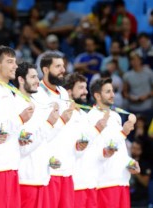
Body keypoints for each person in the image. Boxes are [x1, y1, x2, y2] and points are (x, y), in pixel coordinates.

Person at [0, 46, 35, 208]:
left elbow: (8, 129)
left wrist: (20, 138)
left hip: (11, 162)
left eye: (15, 62)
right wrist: (21, 119)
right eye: (10, 62)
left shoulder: (9, 90)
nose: (15, 66)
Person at [32, 52, 85, 208]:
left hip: (67, 167)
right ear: (46, 70)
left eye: (63, 66)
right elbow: (41, 130)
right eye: (58, 66)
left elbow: (69, 126)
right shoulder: (37, 93)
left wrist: (78, 144)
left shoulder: (63, 92)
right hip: (49, 168)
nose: (63, 70)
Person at [13, 62, 61, 208]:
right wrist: (48, 124)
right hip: (26, 180)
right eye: (33, 77)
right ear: (21, 80)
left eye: (37, 77)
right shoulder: (16, 105)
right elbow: (24, 148)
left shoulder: (38, 105)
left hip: (42, 177)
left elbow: (44, 139)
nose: (37, 81)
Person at [88, 78, 140, 208]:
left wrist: (130, 163)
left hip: (122, 179)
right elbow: (100, 152)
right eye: (108, 92)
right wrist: (124, 132)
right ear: (97, 95)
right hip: (106, 182)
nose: (113, 95)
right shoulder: (91, 117)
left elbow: (120, 149)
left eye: (113, 91)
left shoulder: (116, 116)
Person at [63, 73, 109, 208]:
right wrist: (97, 129)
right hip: (74, 182)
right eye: (81, 88)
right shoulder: (64, 115)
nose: (86, 92)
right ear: (69, 91)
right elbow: (73, 148)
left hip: (89, 180)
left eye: (86, 88)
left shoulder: (84, 115)